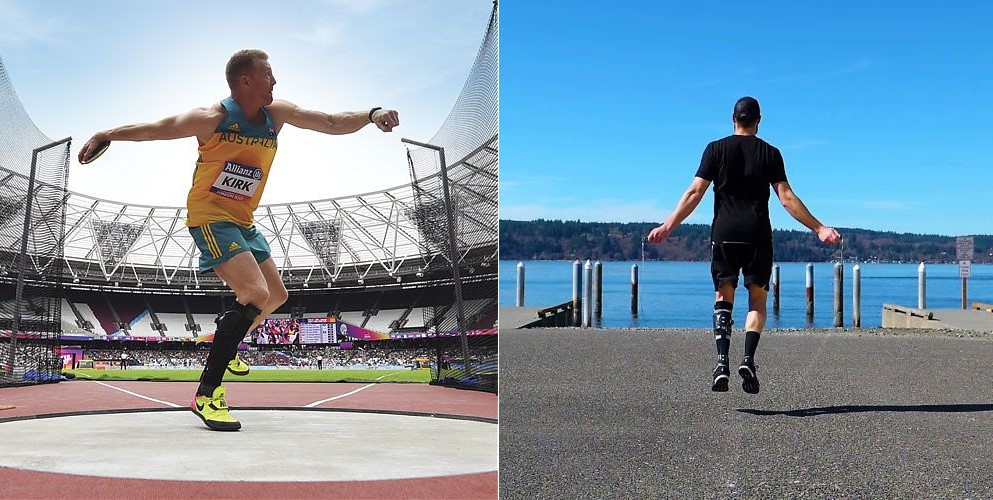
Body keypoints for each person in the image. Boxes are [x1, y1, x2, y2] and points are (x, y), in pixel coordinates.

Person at [79, 49, 399, 430]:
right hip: (211, 217)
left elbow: (329, 121)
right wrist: (106, 134)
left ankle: (227, 340)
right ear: (246, 81)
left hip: (244, 220)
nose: (275, 81)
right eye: (268, 74)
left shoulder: (275, 115)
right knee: (256, 295)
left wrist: (371, 114)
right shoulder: (211, 118)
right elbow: (155, 128)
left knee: (277, 297)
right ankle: (207, 393)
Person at [647, 96, 840, 395]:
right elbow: (786, 197)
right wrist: (819, 228)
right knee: (757, 301)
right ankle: (748, 359)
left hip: (725, 234)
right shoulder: (770, 153)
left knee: (723, 296)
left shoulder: (715, 149)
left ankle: (722, 362)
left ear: (733, 118)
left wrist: (668, 226)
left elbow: (695, 192)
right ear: (759, 121)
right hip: (757, 235)